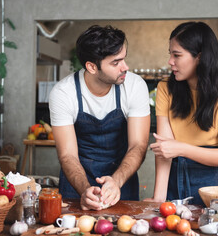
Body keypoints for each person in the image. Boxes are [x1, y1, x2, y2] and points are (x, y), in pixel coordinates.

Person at [49, 25, 150, 210]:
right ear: (91, 67)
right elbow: (67, 155)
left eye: (124, 59)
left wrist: (116, 181)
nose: (125, 67)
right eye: (115, 62)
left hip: (122, 179)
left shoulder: (135, 86)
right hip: (76, 183)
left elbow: (138, 145)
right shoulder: (63, 93)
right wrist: (85, 190)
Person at [146, 22, 218, 205]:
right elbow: (165, 150)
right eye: (170, 54)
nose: (170, 62)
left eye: (177, 55)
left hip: (215, 185)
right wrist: (159, 197)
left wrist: (181, 148)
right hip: (176, 179)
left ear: (199, 57)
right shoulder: (165, 89)